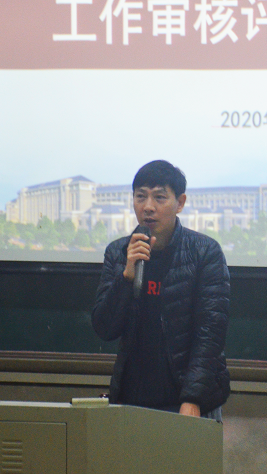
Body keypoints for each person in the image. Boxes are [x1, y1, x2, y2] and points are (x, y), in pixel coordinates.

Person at [92, 160, 230, 419]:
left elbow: (210, 335)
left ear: (180, 203)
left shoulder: (205, 252)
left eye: (159, 197)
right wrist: (126, 277)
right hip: (132, 398)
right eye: (140, 196)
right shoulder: (119, 252)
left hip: (187, 400)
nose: (148, 207)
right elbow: (104, 328)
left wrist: (192, 399)